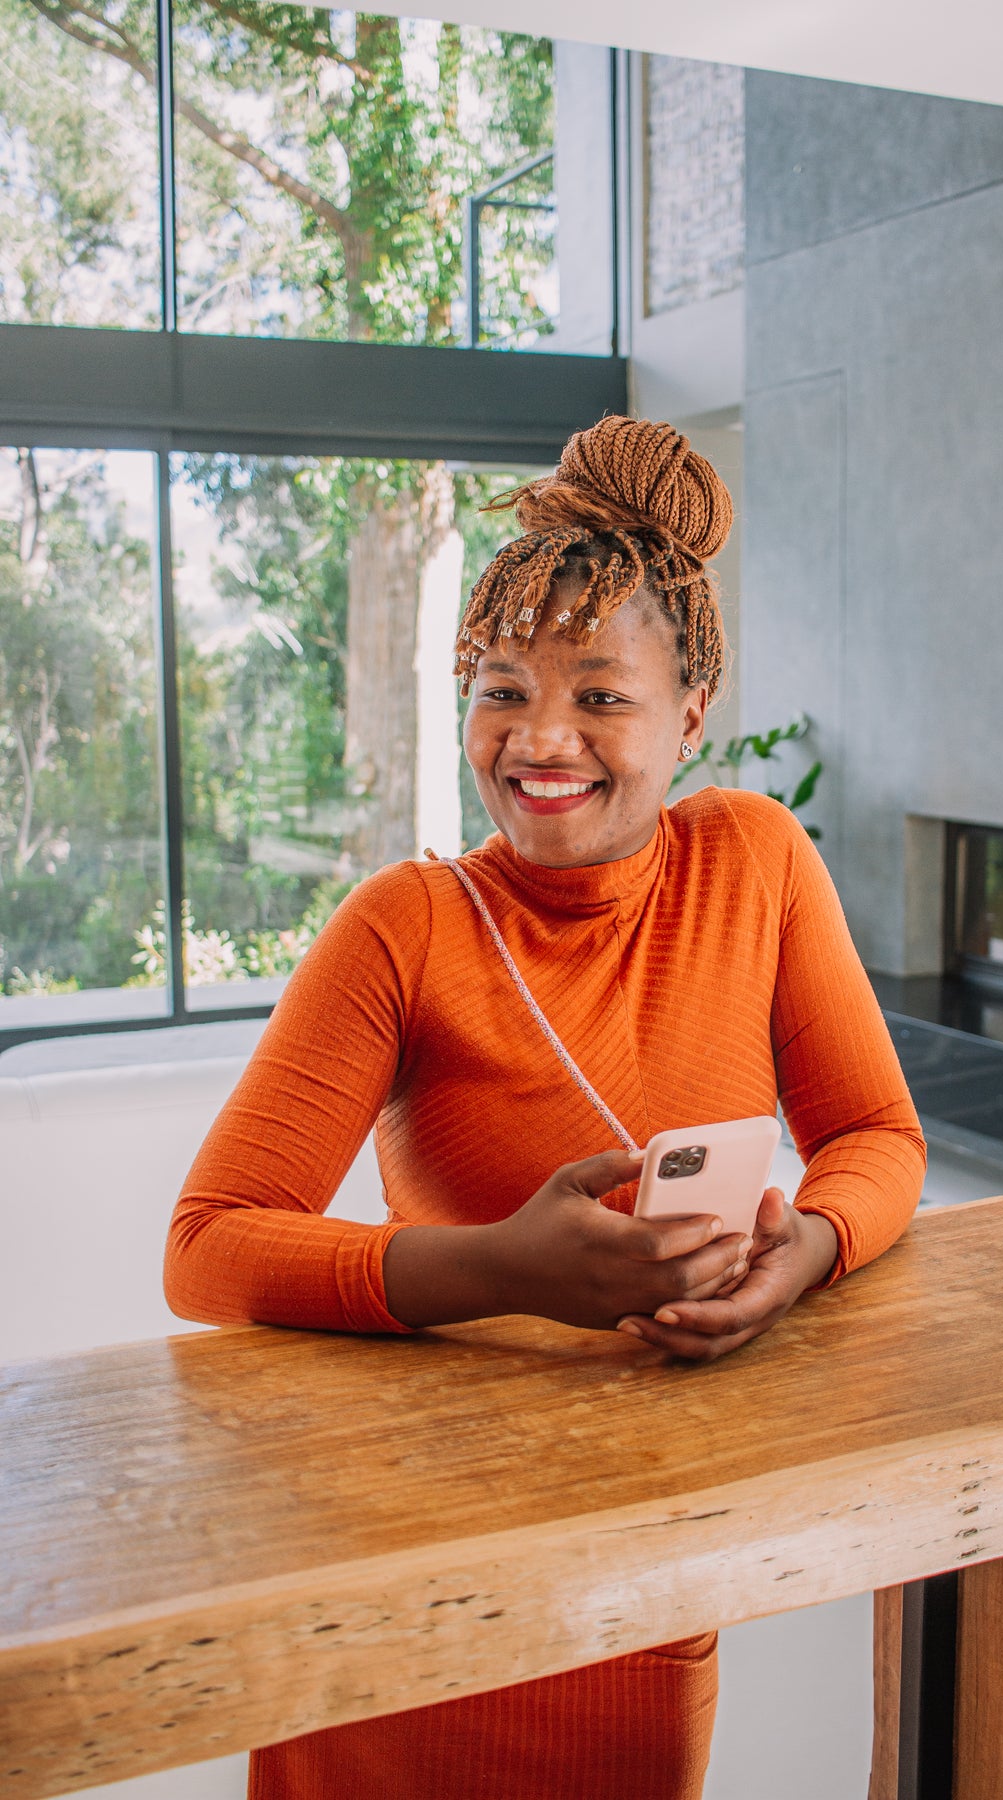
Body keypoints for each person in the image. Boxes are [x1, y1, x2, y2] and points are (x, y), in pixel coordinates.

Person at [164, 414, 926, 1800]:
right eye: (502, 687)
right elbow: (210, 1243)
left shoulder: (754, 866)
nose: (541, 738)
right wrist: (505, 1266)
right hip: (409, 1580)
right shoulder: (404, 926)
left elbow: (878, 1136)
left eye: (600, 695)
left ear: (692, 713)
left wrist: (802, 1254)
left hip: (645, 1567)